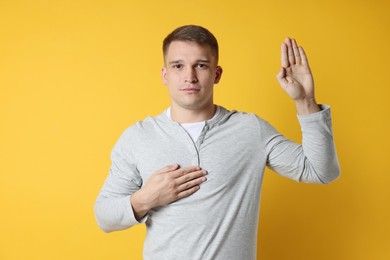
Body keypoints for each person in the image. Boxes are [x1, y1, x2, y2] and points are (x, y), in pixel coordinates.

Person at [94, 25, 340, 260]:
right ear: (165, 75)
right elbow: (104, 217)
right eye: (178, 66)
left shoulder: (250, 130)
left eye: (200, 65)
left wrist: (306, 101)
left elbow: (320, 171)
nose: (189, 76)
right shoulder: (138, 137)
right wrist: (146, 198)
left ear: (217, 73)